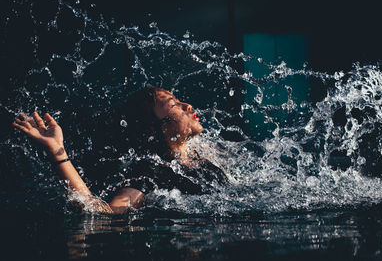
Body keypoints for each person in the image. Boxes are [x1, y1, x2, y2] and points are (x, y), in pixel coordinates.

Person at [12, 86, 228, 214]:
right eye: (173, 105)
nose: (187, 106)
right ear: (157, 128)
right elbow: (105, 213)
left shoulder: (202, 150)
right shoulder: (149, 174)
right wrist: (58, 151)